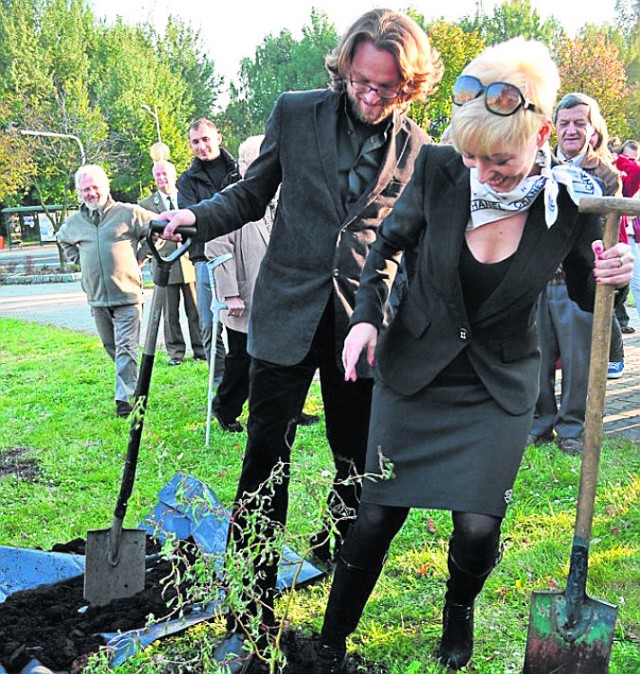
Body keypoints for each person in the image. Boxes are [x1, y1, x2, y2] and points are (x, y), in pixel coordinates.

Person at [312, 38, 633, 673]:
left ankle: (458, 610)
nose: (483, 173)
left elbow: (584, 293)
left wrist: (614, 277)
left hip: (498, 386)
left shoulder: (573, 201)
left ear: (542, 131)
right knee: (375, 515)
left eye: (501, 161)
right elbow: (387, 248)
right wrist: (366, 320)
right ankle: (327, 643)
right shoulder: (436, 170)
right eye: (473, 156)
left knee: (478, 528)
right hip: (415, 373)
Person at [159, 8, 442, 670]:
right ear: (345, 66)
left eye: (388, 89)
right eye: (362, 81)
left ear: (410, 84)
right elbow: (249, 196)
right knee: (263, 472)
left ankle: (333, 591)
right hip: (285, 313)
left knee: (355, 473)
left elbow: (416, 240)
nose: (371, 97)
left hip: (360, 325)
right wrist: (192, 216)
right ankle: (249, 617)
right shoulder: (295, 112)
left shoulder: (420, 148)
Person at [529, 92, 623, 454]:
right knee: (536, 357)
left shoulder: (605, 174)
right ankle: (539, 424)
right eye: (565, 123)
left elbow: (602, 228)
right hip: (538, 278)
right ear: (555, 127)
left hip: (578, 282)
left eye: (579, 123)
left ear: (592, 129)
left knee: (578, 362)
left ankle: (571, 429)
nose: (571, 131)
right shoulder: (542, 163)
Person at [57, 165, 154, 417]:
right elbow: (63, 239)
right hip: (97, 297)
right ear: (79, 193)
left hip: (127, 294)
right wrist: (80, 260)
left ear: (106, 187)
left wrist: (142, 255)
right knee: (112, 346)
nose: (91, 193)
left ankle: (124, 400)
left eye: (95, 187)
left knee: (125, 347)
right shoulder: (74, 222)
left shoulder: (128, 213)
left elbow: (159, 229)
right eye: (85, 189)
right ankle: (132, 380)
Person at [177, 118, 241, 383]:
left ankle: (249, 384)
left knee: (247, 325)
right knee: (210, 327)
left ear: (218, 138)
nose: (201, 146)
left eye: (206, 139)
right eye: (195, 142)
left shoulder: (240, 171)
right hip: (206, 260)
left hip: (243, 256)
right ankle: (219, 388)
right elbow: (191, 221)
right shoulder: (188, 181)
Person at [139, 160, 206, 365]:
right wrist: (143, 256)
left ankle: (200, 350)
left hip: (189, 264)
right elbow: (144, 236)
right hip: (164, 265)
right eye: (157, 175)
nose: (161, 178)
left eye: (165, 174)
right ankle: (176, 353)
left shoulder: (188, 198)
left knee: (196, 310)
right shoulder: (145, 205)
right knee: (170, 314)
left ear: (174, 175)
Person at [615, 140, 640, 326]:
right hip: (616, 234)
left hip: (631, 235)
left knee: (634, 283)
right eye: (627, 157)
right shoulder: (613, 167)